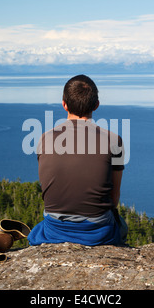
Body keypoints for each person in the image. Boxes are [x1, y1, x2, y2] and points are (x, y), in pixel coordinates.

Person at [27, 74, 128, 246]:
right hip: (98, 232)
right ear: (96, 105)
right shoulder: (114, 140)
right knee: (123, 228)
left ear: (64, 104)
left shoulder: (44, 139)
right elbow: (114, 197)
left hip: (54, 229)